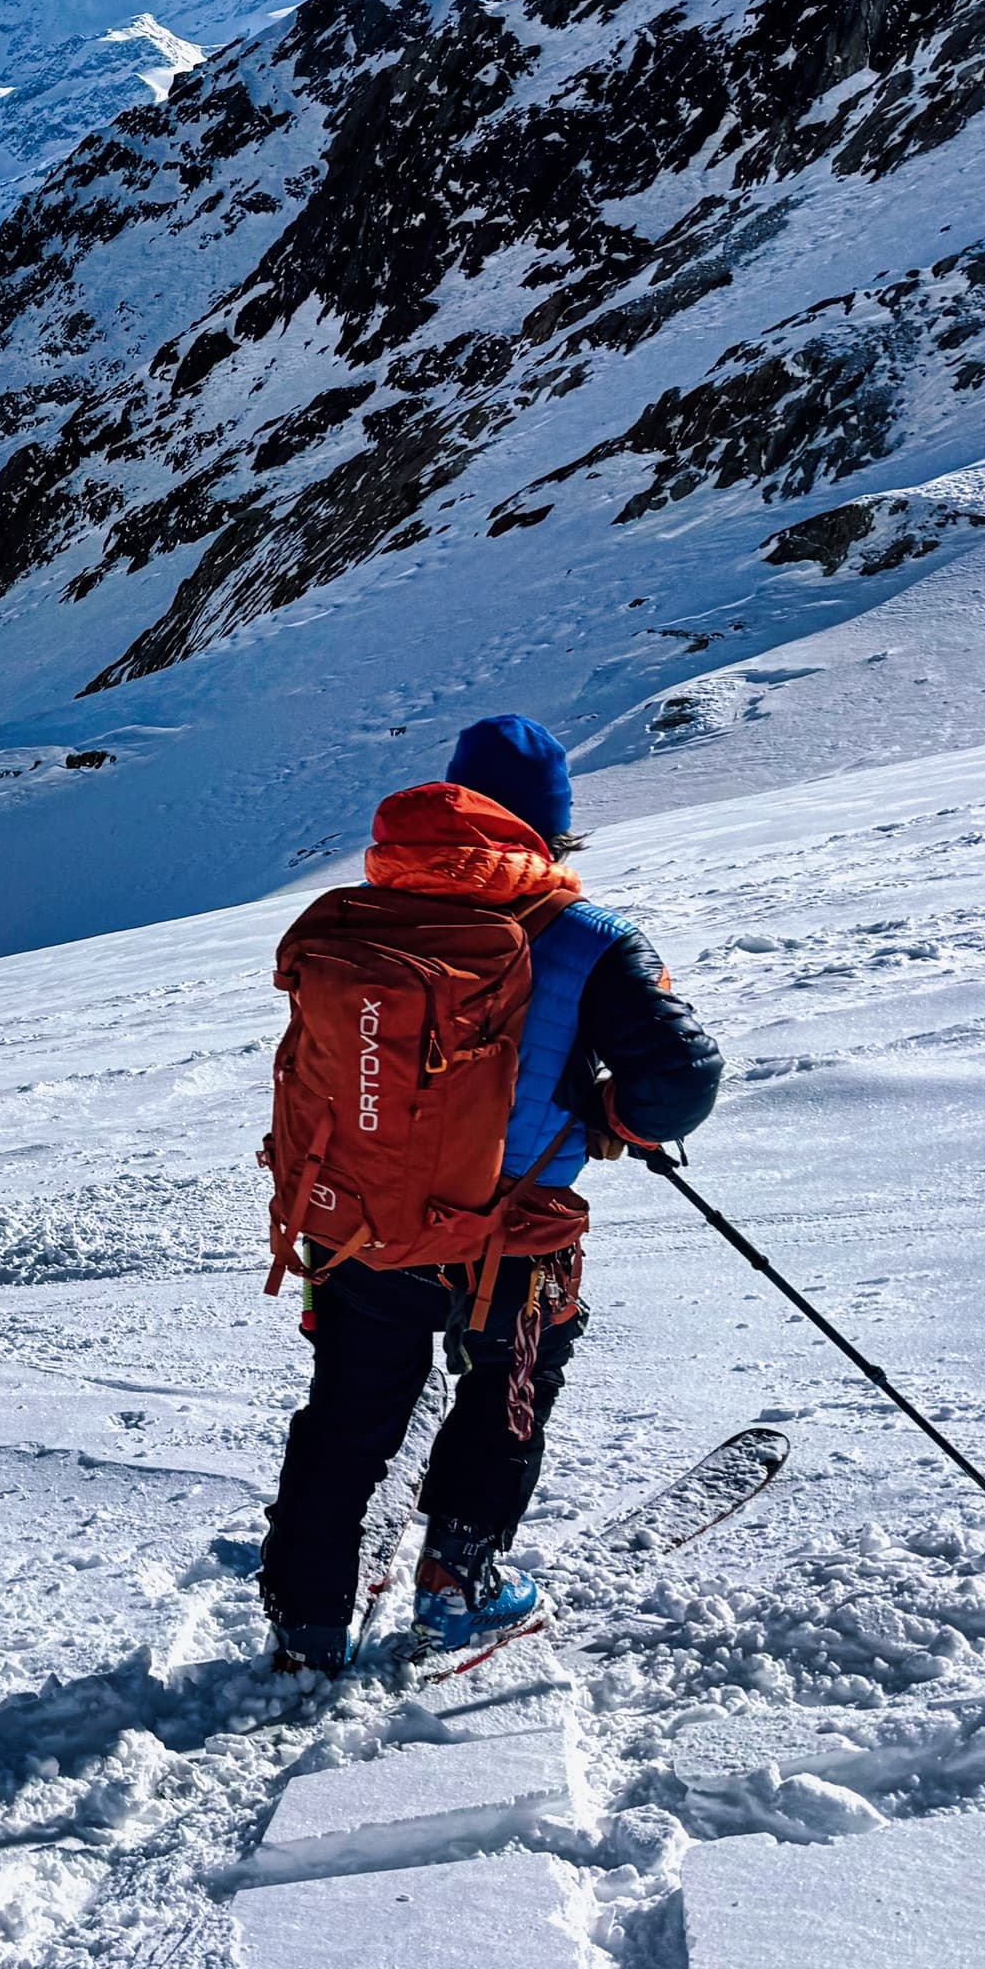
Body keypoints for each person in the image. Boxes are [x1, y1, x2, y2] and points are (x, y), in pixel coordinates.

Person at [259, 715, 725, 1673]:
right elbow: (681, 1078)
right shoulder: (591, 939)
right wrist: (616, 1116)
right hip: (510, 1237)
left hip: (364, 1227)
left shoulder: (361, 916)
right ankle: (458, 1587)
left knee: (347, 1414)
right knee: (504, 1400)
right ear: (553, 828)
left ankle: (306, 1620)